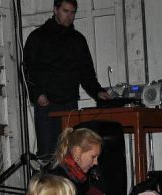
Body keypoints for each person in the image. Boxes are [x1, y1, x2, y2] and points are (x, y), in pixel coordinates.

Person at [23, 0, 110, 157]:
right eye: (65, 11)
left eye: (72, 12)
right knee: (48, 155)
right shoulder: (38, 37)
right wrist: (37, 94)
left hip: (70, 105)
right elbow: (28, 71)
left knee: (71, 154)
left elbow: (86, 72)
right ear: (55, 10)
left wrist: (97, 92)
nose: (69, 16)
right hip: (47, 105)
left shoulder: (78, 40)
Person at [48, 127, 105, 195]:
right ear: (77, 152)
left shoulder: (80, 177)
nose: (96, 162)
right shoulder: (58, 180)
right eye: (93, 157)